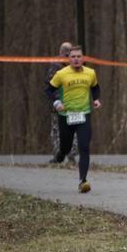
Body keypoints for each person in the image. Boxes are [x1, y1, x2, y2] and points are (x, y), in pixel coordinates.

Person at [44, 45, 102, 193]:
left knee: (84, 147)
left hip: (84, 114)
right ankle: (61, 154)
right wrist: (56, 103)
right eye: (73, 57)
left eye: (78, 57)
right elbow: (49, 89)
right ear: (68, 59)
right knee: (66, 147)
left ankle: (83, 181)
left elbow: (95, 87)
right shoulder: (61, 73)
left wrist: (96, 99)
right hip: (66, 116)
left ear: (83, 59)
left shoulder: (90, 73)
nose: (76, 59)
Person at [45, 41, 78, 164]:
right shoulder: (57, 67)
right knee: (61, 130)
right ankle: (63, 155)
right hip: (60, 104)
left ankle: (67, 155)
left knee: (63, 130)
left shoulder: (72, 67)